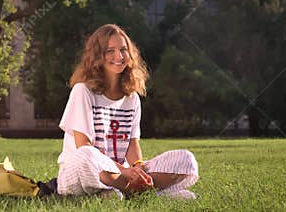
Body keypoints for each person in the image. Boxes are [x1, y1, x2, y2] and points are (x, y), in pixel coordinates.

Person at [57, 24, 199, 199]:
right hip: (81, 172)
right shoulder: (83, 91)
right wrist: (125, 171)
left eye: (123, 49)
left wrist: (138, 167)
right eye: (110, 51)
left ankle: (126, 190)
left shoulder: (131, 98)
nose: (119, 56)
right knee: (87, 154)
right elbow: (83, 145)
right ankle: (142, 192)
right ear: (97, 55)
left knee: (186, 159)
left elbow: (132, 143)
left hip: (120, 174)